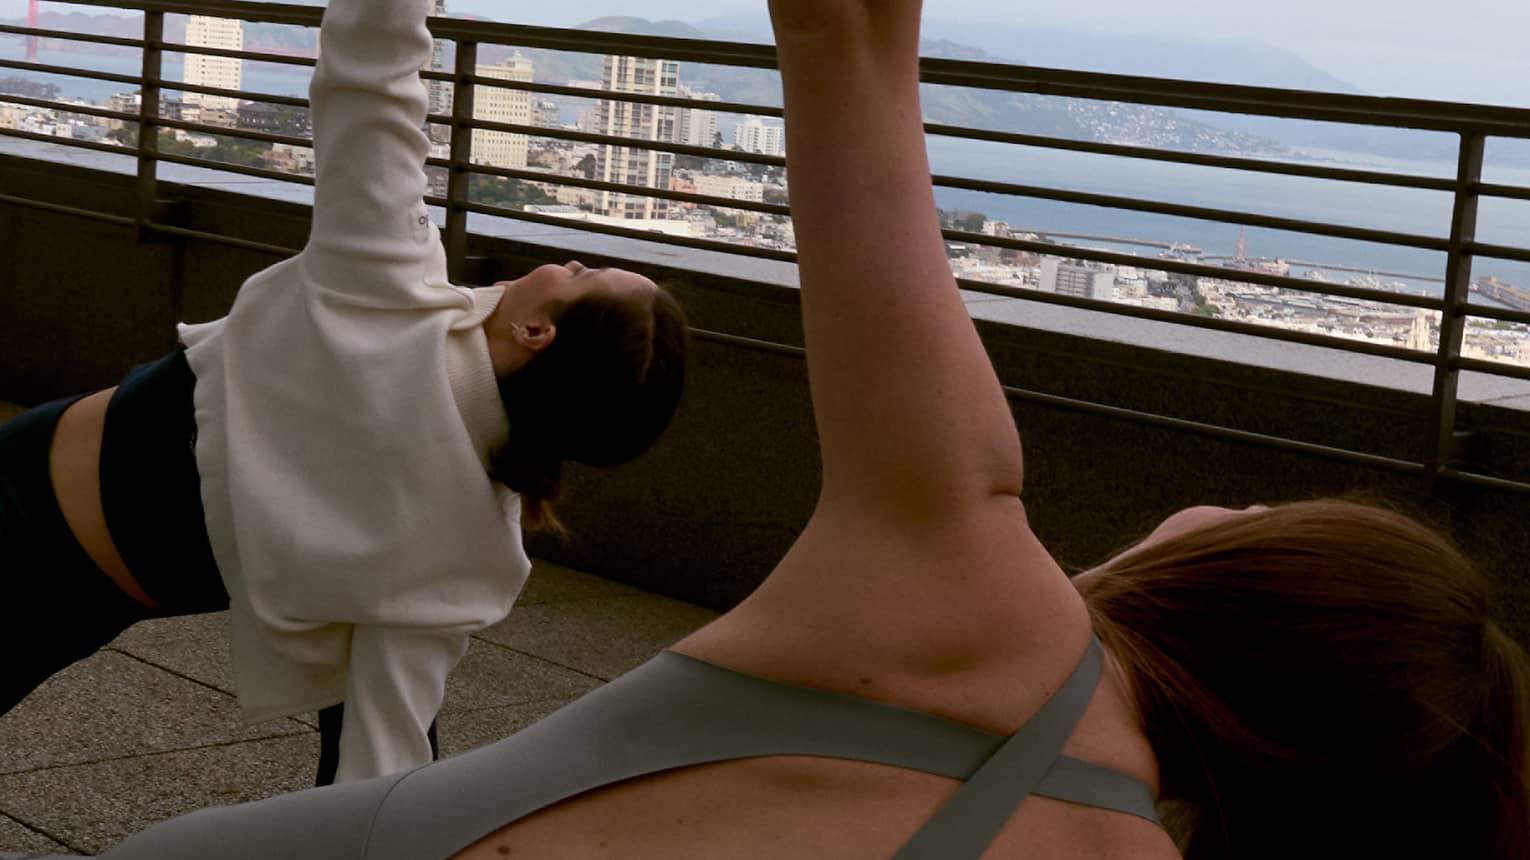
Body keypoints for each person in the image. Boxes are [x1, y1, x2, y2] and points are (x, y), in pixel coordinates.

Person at [10, 0, 1527, 856]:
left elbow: (852, 41)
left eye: (1266, 522)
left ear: (1267, 604)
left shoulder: (964, 595)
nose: (1233, 503)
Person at [0, 0, 688, 786]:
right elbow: (385, 741)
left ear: (539, 334)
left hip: (24, 492)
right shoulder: (468, 541)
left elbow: (373, 80)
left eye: (579, 274)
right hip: (96, 592)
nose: (562, 263)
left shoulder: (387, 294)